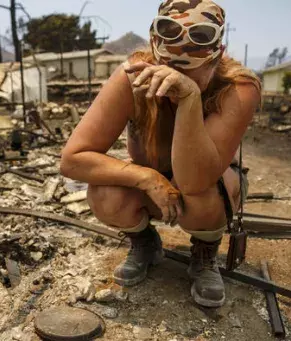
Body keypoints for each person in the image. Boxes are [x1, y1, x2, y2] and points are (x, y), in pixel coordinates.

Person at [60, 0, 261, 308]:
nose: (173, 83)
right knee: (104, 192)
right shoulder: (133, 76)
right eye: (167, 72)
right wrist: (145, 177)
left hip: (204, 182)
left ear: (216, 57)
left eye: (190, 74)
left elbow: (193, 181)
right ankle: (144, 243)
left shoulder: (237, 87)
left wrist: (190, 100)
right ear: (154, 56)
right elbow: (73, 159)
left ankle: (205, 255)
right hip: (152, 175)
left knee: (209, 196)